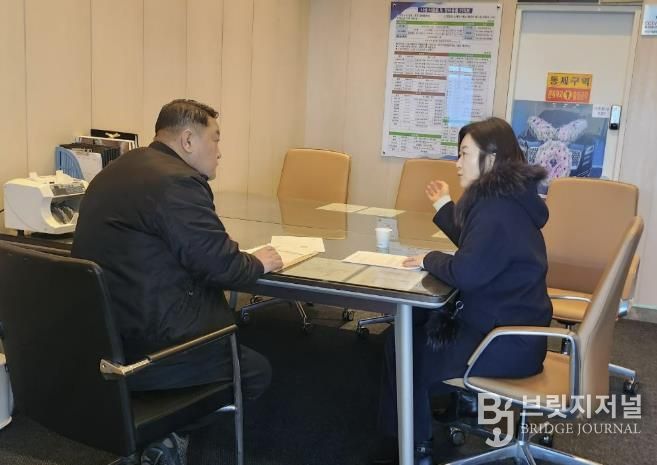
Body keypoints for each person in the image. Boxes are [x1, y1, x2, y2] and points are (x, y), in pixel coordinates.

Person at [72, 99, 283, 465]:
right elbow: (222, 266)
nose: (220, 152)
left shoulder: (116, 170)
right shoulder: (178, 182)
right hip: (155, 350)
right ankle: (170, 435)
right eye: (215, 139)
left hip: (103, 343)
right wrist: (258, 262)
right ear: (187, 140)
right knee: (256, 373)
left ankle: (152, 429)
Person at [374, 117, 553, 465]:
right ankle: (428, 417)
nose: (457, 163)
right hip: (513, 332)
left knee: (404, 347)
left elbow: (467, 272)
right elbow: (479, 248)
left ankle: (414, 447)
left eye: (464, 154)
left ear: (491, 158)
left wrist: (428, 258)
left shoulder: (496, 208)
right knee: (411, 330)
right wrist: (445, 206)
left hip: (502, 342)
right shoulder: (508, 200)